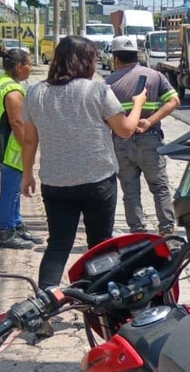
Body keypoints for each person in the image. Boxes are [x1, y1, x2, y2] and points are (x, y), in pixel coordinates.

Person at [21, 35, 146, 289]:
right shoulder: (97, 90)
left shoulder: (35, 93)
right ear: (86, 61)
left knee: (58, 244)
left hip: (55, 182)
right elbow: (125, 130)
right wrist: (138, 105)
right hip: (97, 180)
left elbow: (29, 140)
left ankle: (45, 300)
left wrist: (27, 174)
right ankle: (100, 299)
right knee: (100, 245)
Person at [104, 36, 180, 235]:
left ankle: (137, 232)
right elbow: (174, 101)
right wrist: (149, 121)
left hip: (121, 141)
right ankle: (166, 229)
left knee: (130, 191)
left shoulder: (109, 83)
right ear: (136, 55)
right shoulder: (155, 76)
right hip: (150, 139)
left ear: (116, 59)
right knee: (160, 187)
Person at [0, 49, 40, 249]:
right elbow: (18, 123)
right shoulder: (13, 91)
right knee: (10, 193)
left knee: (13, 192)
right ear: (19, 66)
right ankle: (6, 233)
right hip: (11, 149)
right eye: (29, 64)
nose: (31, 68)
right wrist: (27, 148)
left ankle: (17, 226)